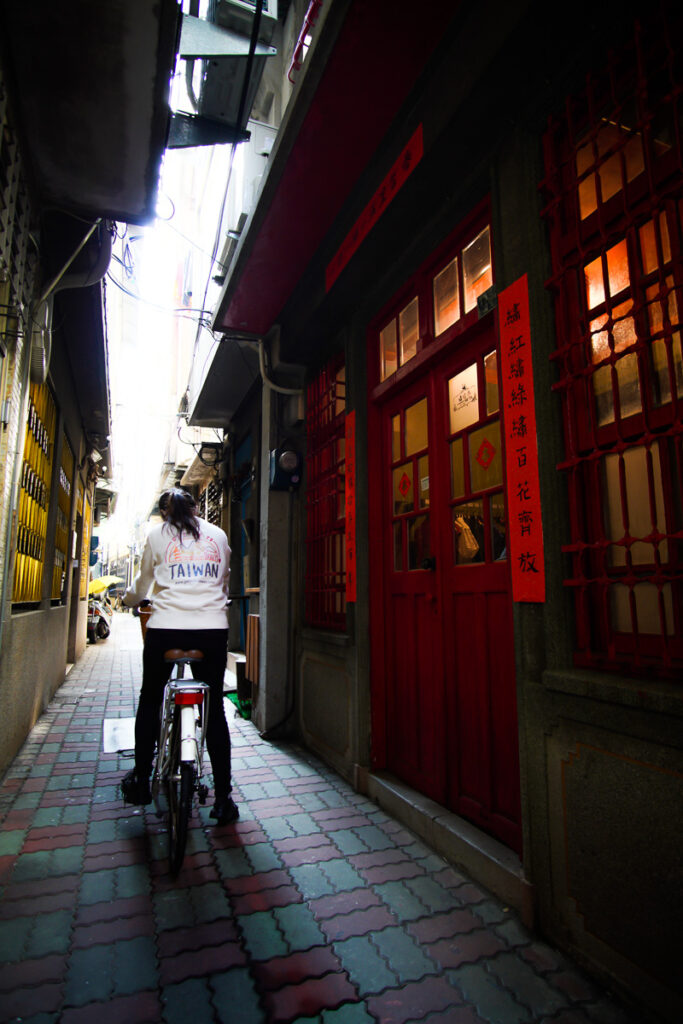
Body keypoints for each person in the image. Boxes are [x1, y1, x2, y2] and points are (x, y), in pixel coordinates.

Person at [121, 487, 238, 825]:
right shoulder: (217, 534)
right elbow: (224, 581)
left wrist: (130, 602)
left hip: (166, 630)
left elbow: (143, 583)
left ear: (163, 513)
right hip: (212, 632)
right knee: (213, 709)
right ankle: (223, 799)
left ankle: (142, 781)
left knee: (150, 699)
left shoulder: (156, 535)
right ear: (196, 508)